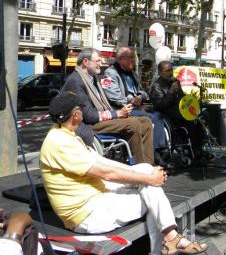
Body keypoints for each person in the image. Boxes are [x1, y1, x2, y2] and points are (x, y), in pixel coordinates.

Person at [40, 91, 208, 255]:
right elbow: (106, 173)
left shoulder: (64, 133)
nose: (85, 110)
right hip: (87, 214)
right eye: (81, 108)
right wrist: (149, 179)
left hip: (95, 194)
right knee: (152, 197)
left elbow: (102, 162)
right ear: (75, 115)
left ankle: (170, 240)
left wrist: (146, 173)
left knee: (147, 174)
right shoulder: (60, 143)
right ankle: (171, 239)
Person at [61, 48, 154, 164]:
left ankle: (149, 164)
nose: (101, 64)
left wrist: (120, 112)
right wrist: (117, 113)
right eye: (98, 61)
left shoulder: (93, 79)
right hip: (87, 125)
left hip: (100, 120)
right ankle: (141, 169)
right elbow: (89, 116)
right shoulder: (75, 81)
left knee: (146, 122)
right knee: (134, 124)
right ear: (85, 62)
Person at [103, 47, 167, 164]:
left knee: (159, 114)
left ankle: (160, 148)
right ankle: (156, 152)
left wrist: (140, 97)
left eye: (134, 57)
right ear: (121, 59)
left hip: (136, 107)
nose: (134, 60)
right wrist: (132, 100)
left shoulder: (133, 74)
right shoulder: (109, 73)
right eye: (131, 57)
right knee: (152, 118)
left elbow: (142, 91)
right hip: (121, 110)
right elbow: (113, 96)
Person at [150, 61, 204, 157]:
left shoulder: (175, 82)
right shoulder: (156, 86)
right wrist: (171, 92)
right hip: (166, 115)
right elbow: (161, 106)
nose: (171, 73)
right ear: (160, 73)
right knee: (190, 122)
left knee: (200, 119)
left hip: (179, 111)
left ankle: (199, 150)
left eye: (172, 70)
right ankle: (193, 152)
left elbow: (182, 99)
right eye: (167, 71)